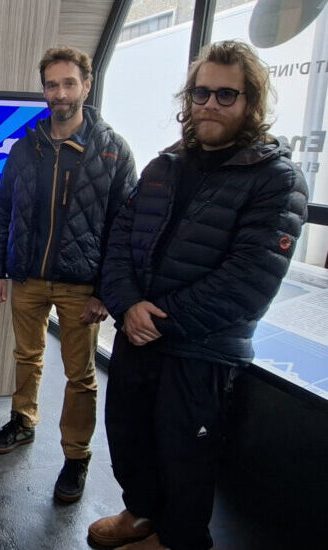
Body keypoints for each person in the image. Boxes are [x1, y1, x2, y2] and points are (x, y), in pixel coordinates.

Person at [88, 40, 307, 550]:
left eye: (226, 94)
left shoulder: (276, 179)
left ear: (252, 102)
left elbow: (249, 279)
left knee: (184, 452)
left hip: (201, 349)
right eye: (200, 93)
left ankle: (179, 539)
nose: (209, 104)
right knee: (128, 434)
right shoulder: (164, 166)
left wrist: (155, 319)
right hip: (138, 335)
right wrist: (127, 305)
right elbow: (119, 240)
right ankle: (142, 513)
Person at [0, 46, 137, 503]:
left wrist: (106, 292)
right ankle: (23, 422)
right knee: (26, 356)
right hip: (27, 277)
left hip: (82, 286)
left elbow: (124, 229)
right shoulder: (25, 147)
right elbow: (3, 210)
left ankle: (76, 456)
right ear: (44, 90)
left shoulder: (113, 150)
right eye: (52, 85)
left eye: (69, 83)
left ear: (86, 86)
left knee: (80, 375)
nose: (60, 93)